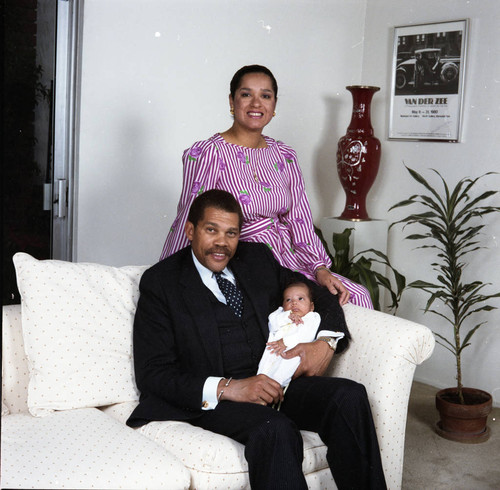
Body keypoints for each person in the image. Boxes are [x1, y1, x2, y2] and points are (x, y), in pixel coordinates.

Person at [128, 189, 386, 489]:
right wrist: (231, 388)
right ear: (190, 230)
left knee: (349, 396)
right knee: (274, 428)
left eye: (231, 233)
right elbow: (152, 374)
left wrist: (326, 342)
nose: (222, 243)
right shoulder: (162, 282)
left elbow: (314, 295)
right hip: (215, 400)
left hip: (276, 381)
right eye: (211, 230)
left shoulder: (256, 260)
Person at [159, 64, 373, 309]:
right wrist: (170, 275)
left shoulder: (285, 156)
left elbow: (299, 220)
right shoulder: (209, 153)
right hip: (242, 262)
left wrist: (320, 269)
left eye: (265, 96)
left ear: (274, 105)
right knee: (304, 309)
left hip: (288, 259)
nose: (256, 104)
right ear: (232, 100)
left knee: (355, 295)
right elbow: (189, 219)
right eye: (246, 94)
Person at [257, 281, 344, 388]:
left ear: (311, 306)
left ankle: (275, 389)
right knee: (264, 370)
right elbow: (272, 324)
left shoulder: (312, 318)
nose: (294, 303)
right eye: (288, 300)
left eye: (300, 299)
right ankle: (261, 388)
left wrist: (285, 342)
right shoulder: (280, 314)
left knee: (283, 372)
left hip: (294, 353)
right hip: (273, 350)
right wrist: (287, 316)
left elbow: (306, 335)